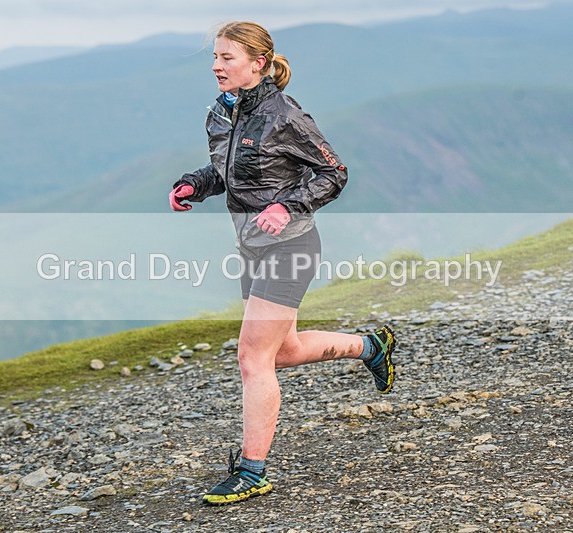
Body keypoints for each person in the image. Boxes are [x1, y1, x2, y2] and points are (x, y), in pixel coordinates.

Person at [169, 20, 397, 505]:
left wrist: (286, 206)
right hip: (251, 248)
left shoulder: (284, 116)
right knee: (284, 350)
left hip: (290, 247)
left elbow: (334, 172)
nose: (215, 66)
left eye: (227, 58)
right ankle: (369, 346)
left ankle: (253, 472)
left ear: (258, 63)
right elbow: (228, 169)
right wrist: (195, 184)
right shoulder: (221, 112)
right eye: (215, 57)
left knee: (252, 357)